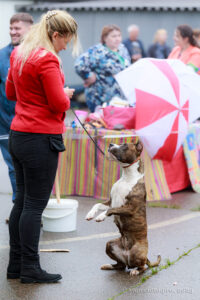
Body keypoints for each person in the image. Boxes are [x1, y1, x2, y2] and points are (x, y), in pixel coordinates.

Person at [6, 10, 78, 284]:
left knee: (22, 202)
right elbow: (59, 104)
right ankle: (30, 268)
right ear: (55, 34)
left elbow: (11, 93)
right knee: (35, 206)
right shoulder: (47, 58)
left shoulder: (21, 53)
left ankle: (16, 266)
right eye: (66, 39)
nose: (67, 45)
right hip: (40, 138)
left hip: (18, 134)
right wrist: (65, 93)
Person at [0, 13, 33, 204]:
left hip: (33, 124)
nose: (13, 32)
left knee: (33, 167)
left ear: (30, 28)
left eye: (17, 28)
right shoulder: (1, 56)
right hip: (7, 123)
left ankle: (33, 207)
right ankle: (19, 206)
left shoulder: (38, 53)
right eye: (11, 28)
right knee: (14, 167)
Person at [75, 25, 130, 112]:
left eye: (119, 35)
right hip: (101, 97)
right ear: (105, 38)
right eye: (113, 36)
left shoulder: (123, 49)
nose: (117, 39)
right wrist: (88, 76)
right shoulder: (97, 51)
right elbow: (79, 64)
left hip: (120, 97)